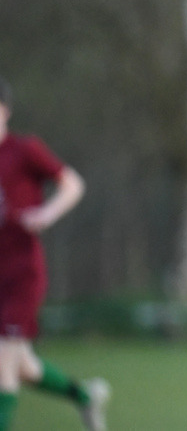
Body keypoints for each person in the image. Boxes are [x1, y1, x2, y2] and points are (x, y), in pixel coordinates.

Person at [0, 77, 110, 431]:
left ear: (3, 111)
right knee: (22, 366)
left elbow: (72, 183)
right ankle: (85, 397)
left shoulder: (24, 150)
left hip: (21, 273)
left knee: (2, 359)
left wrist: (46, 214)